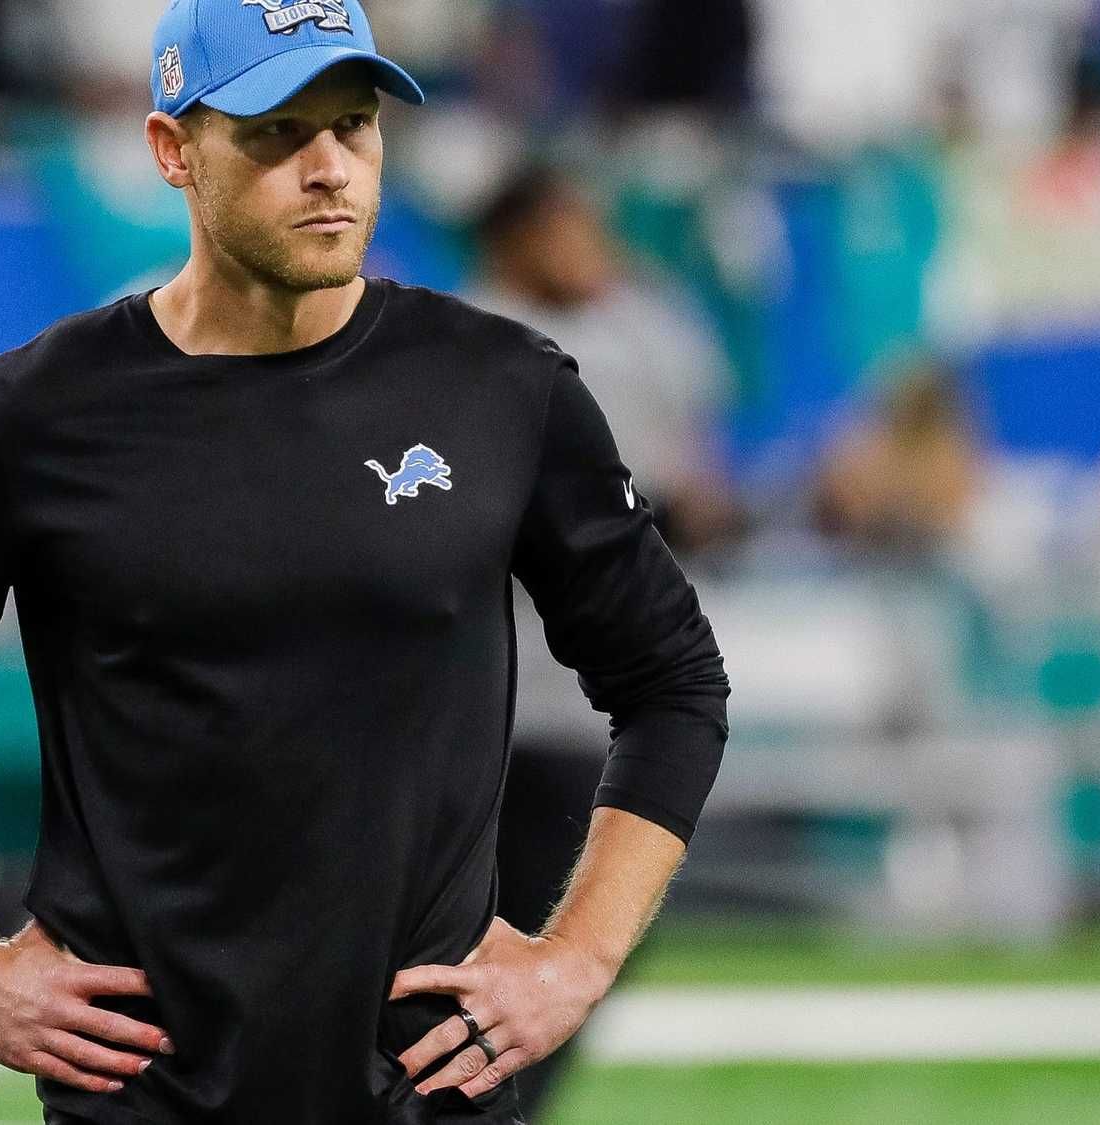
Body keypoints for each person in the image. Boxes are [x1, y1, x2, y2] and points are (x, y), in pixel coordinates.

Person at [0, 2, 730, 1122]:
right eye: (278, 132)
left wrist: (577, 957)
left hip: (425, 1097)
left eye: (353, 125)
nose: (329, 168)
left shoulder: (501, 389)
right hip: (142, 1099)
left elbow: (672, 681)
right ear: (172, 151)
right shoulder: (41, 414)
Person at [464, 162, 738, 1118]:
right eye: (566, 228)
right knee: (514, 936)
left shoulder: (638, 329)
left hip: (592, 704)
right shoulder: (479, 346)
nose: (590, 248)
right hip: (507, 703)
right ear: (516, 238)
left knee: (587, 931)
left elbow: (697, 479)